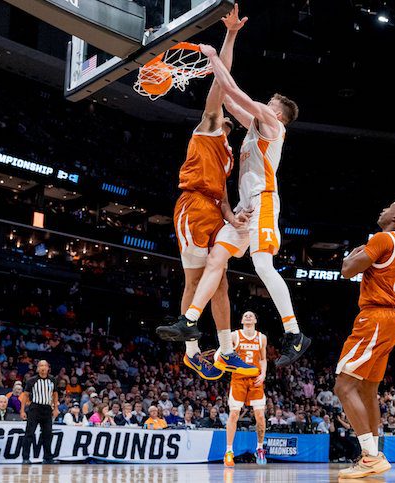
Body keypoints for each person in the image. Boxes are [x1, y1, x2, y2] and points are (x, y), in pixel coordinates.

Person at [192, 40, 310, 369]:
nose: (263, 104)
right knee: (219, 255)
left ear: (276, 112)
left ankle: (294, 332)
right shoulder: (255, 129)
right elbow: (228, 99)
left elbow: (238, 94)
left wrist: (215, 56)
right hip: (247, 209)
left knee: (262, 266)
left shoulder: (274, 125)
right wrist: (215, 71)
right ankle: (190, 322)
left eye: (268, 103)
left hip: (264, 200)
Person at [154, 5, 257, 380]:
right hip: (192, 206)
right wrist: (229, 36)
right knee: (195, 281)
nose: (227, 112)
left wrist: (232, 216)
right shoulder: (209, 127)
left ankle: (227, 351)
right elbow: (220, 83)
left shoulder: (229, 154)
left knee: (221, 277)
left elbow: (224, 194)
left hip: (214, 208)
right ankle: (192, 350)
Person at [333, 199, 395, 479]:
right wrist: (394, 308)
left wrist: (351, 255)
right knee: (368, 391)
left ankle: (370, 456)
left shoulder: (383, 239)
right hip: (390, 321)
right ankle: (373, 454)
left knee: (343, 386)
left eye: (389, 206)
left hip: (373, 318)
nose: (383, 209)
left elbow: (347, 270)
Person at [223, 311, 268, 467]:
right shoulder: (235, 336)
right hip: (239, 379)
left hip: (255, 379)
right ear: (242, 320)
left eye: (251, 315)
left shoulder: (261, 338)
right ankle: (229, 452)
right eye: (245, 315)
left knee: (260, 416)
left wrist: (263, 374)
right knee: (234, 413)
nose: (248, 317)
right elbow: (224, 355)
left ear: (255, 319)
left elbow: (263, 359)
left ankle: (260, 448)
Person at [21, 360, 59, 464]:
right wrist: (22, 410)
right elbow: (25, 395)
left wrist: (56, 408)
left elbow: (55, 394)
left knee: (47, 434)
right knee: (29, 433)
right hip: (35, 408)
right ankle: (25, 458)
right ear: (38, 368)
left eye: (44, 365)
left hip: (47, 409)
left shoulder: (52, 380)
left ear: (48, 368)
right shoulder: (31, 380)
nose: (42, 368)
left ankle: (47, 457)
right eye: (40, 366)